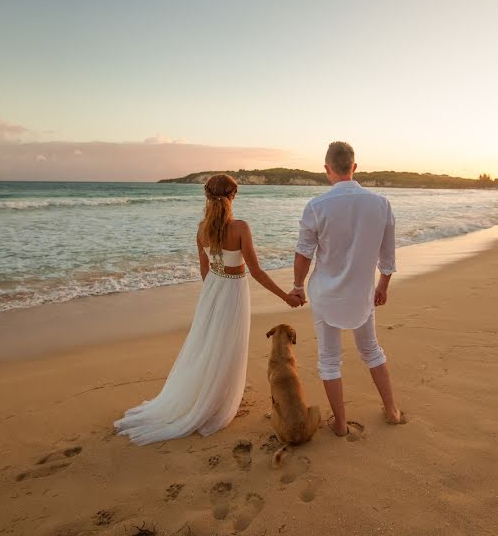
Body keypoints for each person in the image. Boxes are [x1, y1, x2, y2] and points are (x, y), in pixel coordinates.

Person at [114, 174, 304, 445]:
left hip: (213, 290)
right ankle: (216, 402)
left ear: (207, 197)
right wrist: (286, 296)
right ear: (233, 196)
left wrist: (212, 296)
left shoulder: (202, 228)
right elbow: (256, 271)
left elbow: (205, 270)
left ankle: (208, 395)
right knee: (228, 346)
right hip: (234, 290)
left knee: (210, 345)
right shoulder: (240, 227)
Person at [291, 141, 405, 437]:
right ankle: (392, 411)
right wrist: (383, 285)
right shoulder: (380, 204)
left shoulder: (316, 206)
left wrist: (297, 287)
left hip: (326, 295)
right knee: (371, 350)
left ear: (327, 169)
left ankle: (340, 425)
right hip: (362, 294)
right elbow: (388, 255)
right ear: (354, 167)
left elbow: (303, 254)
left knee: (329, 360)